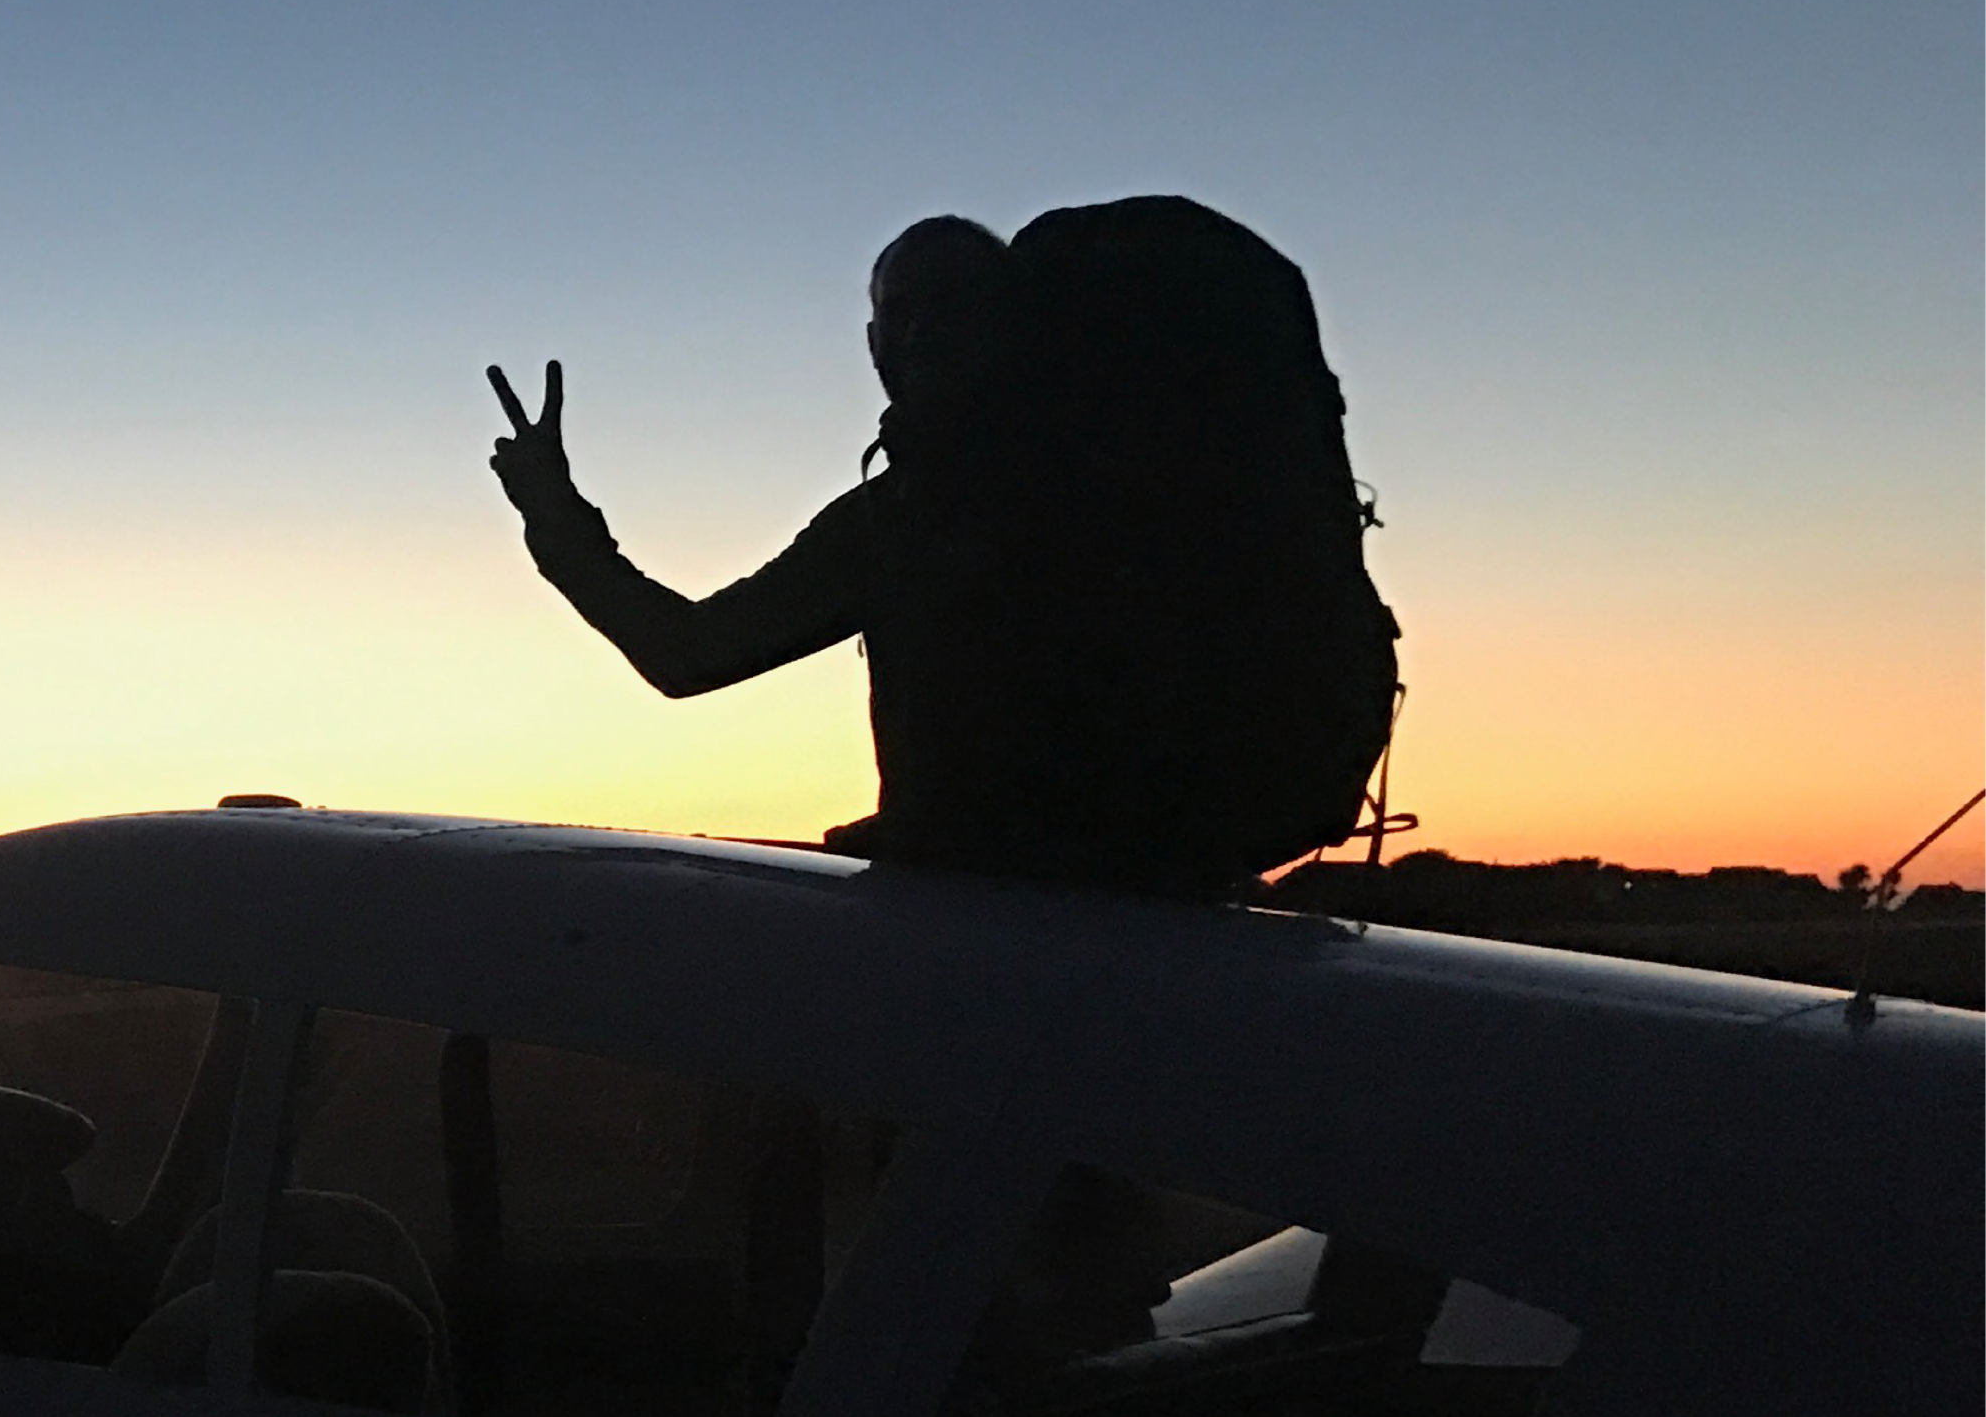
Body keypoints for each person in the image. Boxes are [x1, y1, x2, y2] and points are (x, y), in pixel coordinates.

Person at [486, 198, 1396, 899]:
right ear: (877, 339)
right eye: (903, 310)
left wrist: (557, 523)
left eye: (946, 305)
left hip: (978, 941)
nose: (920, 329)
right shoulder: (1150, 484)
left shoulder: (908, 519)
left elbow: (685, 656)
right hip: (1181, 902)